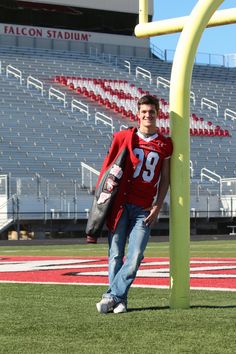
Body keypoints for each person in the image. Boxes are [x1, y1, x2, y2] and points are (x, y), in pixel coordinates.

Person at [87, 95, 173, 314]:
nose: (147, 115)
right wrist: (102, 202)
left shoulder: (165, 144)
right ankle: (120, 300)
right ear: (138, 114)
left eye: (151, 112)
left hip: (144, 208)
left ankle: (111, 296)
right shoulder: (124, 137)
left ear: (157, 114)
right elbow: (108, 170)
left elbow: (165, 179)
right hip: (120, 205)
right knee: (115, 253)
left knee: (135, 256)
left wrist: (157, 205)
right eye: (144, 112)